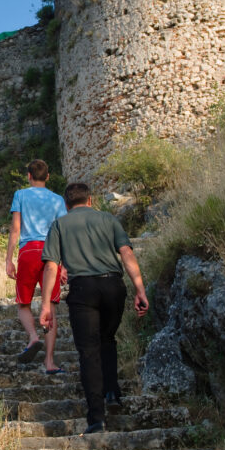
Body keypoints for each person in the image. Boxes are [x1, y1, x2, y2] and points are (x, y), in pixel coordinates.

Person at [39, 182, 149, 435]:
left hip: (83, 291)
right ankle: (112, 392)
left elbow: (51, 267)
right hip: (113, 286)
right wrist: (139, 289)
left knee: (89, 351)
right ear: (90, 200)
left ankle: (96, 418)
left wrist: (46, 305)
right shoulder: (108, 220)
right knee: (107, 339)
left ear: (66, 205)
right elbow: (127, 253)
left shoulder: (59, 225)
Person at [5, 159, 67, 372]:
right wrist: (64, 264)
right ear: (48, 177)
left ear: (28, 176)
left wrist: (9, 259)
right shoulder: (58, 199)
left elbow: (15, 229)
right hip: (52, 252)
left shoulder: (20, 195)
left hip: (29, 251)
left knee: (23, 303)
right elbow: (64, 232)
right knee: (49, 307)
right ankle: (49, 362)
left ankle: (33, 337)